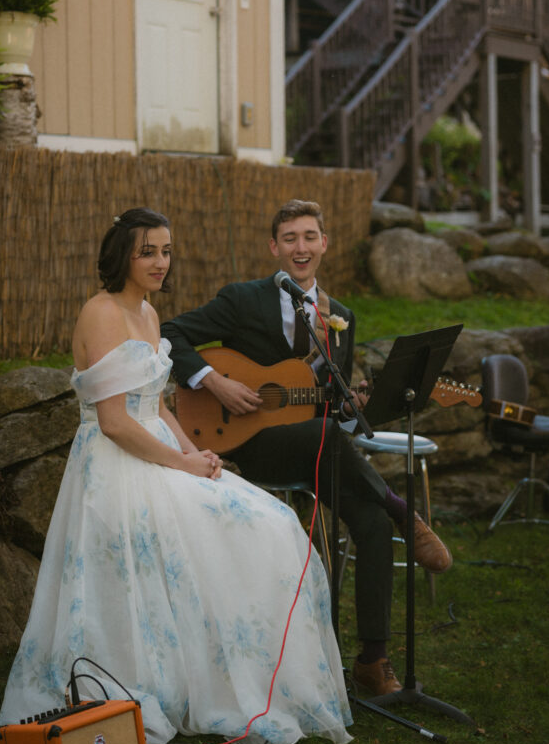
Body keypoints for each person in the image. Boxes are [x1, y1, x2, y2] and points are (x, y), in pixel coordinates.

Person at [0, 207, 352, 744]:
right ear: (122, 256)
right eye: (148, 252)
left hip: (161, 451)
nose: (161, 262)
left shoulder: (148, 314)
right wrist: (180, 464)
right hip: (115, 465)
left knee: (277, 521)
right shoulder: (102, 314)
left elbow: (157, 406)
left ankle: (236, 670)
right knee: (247, 528)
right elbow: (116, 421)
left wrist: (199, 452)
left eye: (165, 251)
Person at [162, 199, 452, 696]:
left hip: (316, 446)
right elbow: (171, 335)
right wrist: (214, 382)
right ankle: (405, 510)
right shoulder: (242, 300)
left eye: (310, 236)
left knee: (369, 522)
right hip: (250, 442)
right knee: (326, 440)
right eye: (290, 238)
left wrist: (346, 406)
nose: (301, 247)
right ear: (275, 247)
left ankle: (372, 660)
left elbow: (328, 405)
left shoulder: (340, 316)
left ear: (325, 243)